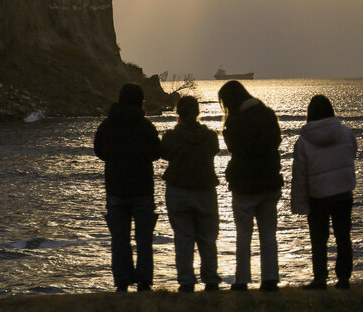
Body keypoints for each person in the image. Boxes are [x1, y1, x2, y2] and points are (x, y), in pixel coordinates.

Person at [94, 83, 163, 292]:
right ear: (141, 101)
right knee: (144, 239)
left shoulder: (107, 125)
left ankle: (122, 281)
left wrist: (114, 159)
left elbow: (99, 150)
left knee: (119, 239)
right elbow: (156, 152)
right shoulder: (145, 126)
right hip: (142, 188)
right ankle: (144, 281)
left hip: (115, 187)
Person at [219, 80, 283, 291]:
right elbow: (276, 142)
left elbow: (233, 148)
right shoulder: (268, 115)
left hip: (244, 184)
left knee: (243, 234)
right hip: (269, 182)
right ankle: (270, 278)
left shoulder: (235, 122)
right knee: (268, 233)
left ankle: (242, 280)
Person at [291, 94, 358, 290]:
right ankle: (344, 278)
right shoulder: (346, 133)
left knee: (319, 238)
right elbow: (352, 153)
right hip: (343, 192)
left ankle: (320, 278)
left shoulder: (303, 142)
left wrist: (300, 203)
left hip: (318, 196)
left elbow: (300, 176)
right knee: (343, 236)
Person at [158, 95, 222, 292]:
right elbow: (215, 150)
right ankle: (211, 279)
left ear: (178, 114)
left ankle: (186, 281)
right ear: (197, 112)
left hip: (179, 190)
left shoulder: (171, 137)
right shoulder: (210, 136)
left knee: (184, 238)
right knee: (208, 237)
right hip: (205, 190)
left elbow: (164, 153)